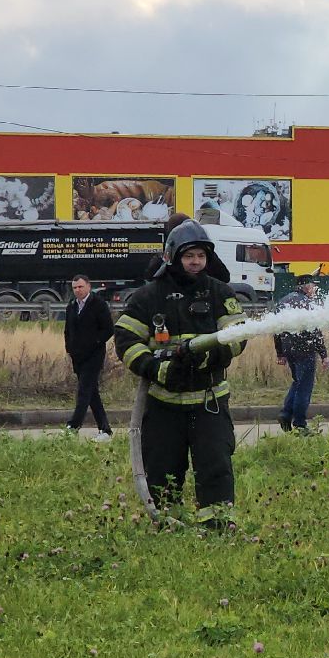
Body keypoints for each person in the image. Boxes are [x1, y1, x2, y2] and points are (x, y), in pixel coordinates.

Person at [111, 221, 247, 525]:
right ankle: (167, 523)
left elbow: (239, 335)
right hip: (163, 404)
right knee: (162, 469)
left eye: (200, 255)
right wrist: (157, 368)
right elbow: (126, 340)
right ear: (173, 257)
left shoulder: (219, 292)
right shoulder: (149, 297)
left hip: (209, 401)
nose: (196, 262)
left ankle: (217, 525)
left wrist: (207, 357)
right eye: (189, 256)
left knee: (215, 466)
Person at [62, 274, 115, 440]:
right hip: (77, 356)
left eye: (80, 287)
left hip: (93, 355)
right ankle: (105, 429)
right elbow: (67, 330)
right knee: (92, 393)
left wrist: (94, 342)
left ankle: (73, 425)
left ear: (88, 287)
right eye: (75, 288)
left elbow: (108, 329)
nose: (78, 290)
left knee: (84, 391)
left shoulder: (98, 305)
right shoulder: (71, 306)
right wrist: (69, 348)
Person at [274, 274, 328, 433]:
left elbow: (276, 329)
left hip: (288, 349)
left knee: (297, 381)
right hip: (305, 349)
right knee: (304, 386)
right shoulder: (308, 303)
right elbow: (315, 331)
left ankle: (285, 414)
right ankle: (300, 425)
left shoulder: (282, 301)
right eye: (313, 286)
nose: (314, 290)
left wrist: (280, 353)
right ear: (306, 287)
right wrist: (324, 355)